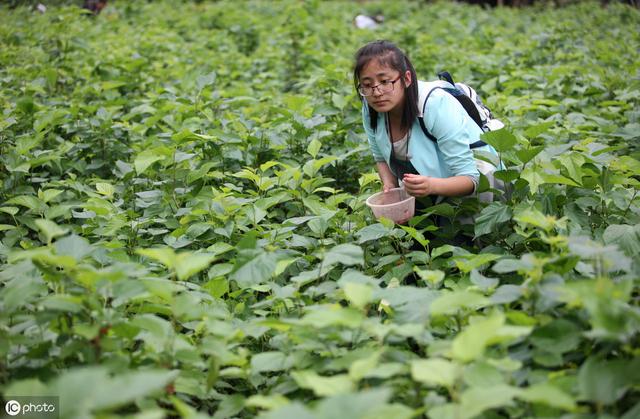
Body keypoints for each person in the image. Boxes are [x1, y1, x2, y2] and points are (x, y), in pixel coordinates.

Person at [353, 40, 499, 207]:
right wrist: (390, 187)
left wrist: (431, 185)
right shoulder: (370, 106)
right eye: (367, 85)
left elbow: (471, 179)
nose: (376, 92)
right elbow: (380, 156)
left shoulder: (434, 105)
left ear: (406, 79)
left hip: (478, 191)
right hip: (428, 187)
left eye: (385, 81)